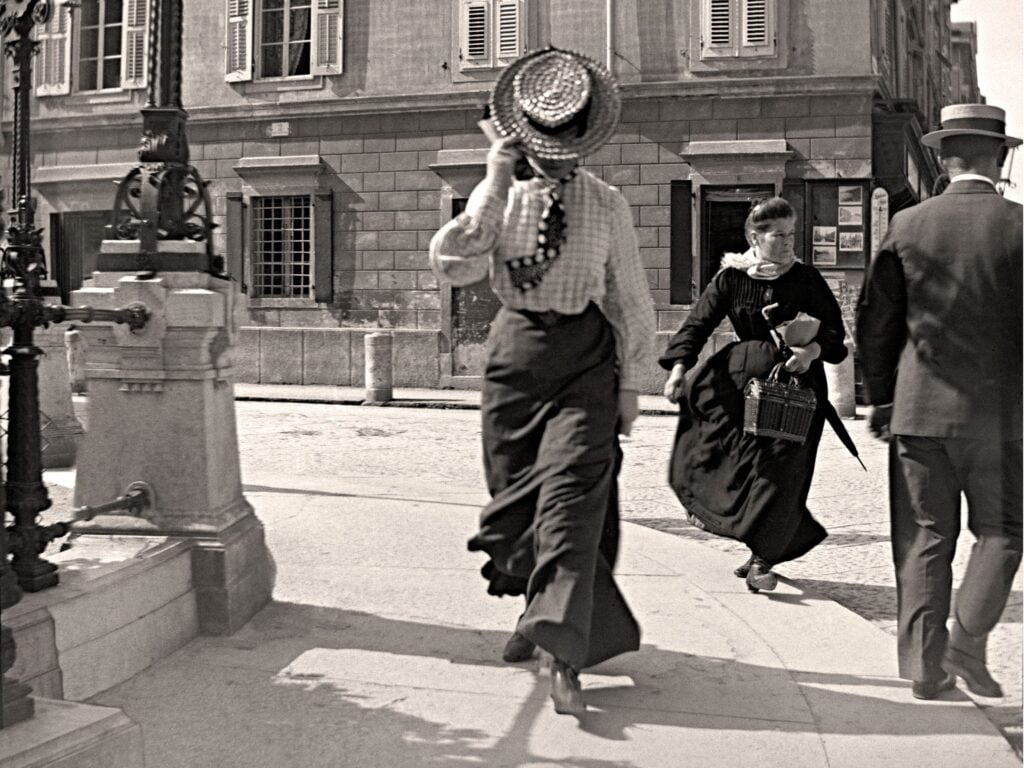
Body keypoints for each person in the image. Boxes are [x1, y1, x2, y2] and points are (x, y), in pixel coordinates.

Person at [429, 47, 656, 717]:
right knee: (518, 507)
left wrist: (630, 385)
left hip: (585, 360)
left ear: (583, 136)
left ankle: (563, 653)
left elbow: (630, 297)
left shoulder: (607, 203)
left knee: (571, 505)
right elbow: (455, 264)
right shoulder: (501, 197)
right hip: (516, 359)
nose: (555, 156)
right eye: (543, 142)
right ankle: (535, 613)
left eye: (566, 142)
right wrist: (495, 178)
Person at [856, 104, 1023, 701]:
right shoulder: (1020, 225)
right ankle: (967, 645)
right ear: (999, 157)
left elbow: (876, 321)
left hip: (918, 410)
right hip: (1000, 418)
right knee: (1003, 532)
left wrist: (881, 399)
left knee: (924, 538)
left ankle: (926, 669)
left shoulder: (907, 226)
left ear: (944, 159)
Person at [661, 197, 848, 592]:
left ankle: (763, 560)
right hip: (741, 387)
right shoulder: (731, 278)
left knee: (781, 472)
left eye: (791, 234)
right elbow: (698, 324)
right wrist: (679, 368)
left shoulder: (807, 279)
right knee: (736, 462)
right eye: (778, 235)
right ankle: (747, 535)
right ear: (754, 238)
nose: (788, 242)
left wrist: (811, 351)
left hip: (797, 389)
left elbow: (836, 333)